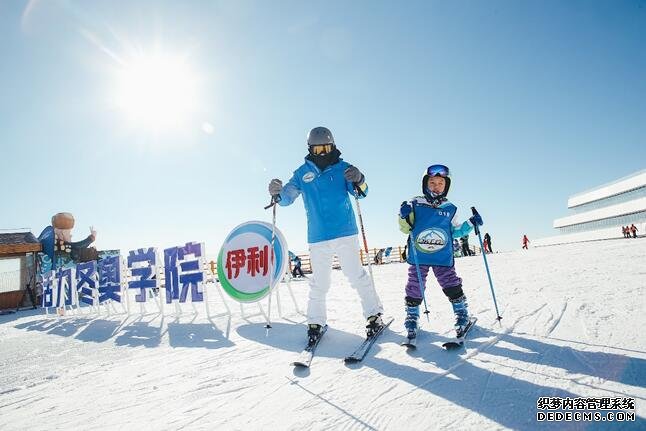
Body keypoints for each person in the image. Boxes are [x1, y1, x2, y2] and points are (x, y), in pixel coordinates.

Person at [268, 126, 384, 344]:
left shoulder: (343, 168)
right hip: (318, 236)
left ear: (333, 146)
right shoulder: (302, 173)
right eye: (318, 149)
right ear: (310, 149)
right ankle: (316, 321)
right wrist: (276, 192)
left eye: (326, 148)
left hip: (344, 232)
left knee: (356, 275)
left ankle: (373, 314)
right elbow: (286, 199)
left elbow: (363, 192)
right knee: (319, 282)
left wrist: (359, 179)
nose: (323, 153)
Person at [398, 164, 482, 340]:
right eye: (432, 182)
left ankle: (461, 314)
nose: (436, 186)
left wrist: (471, 223)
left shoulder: (450, 208)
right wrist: (403, 215)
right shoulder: (415, 203)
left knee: (450, 283)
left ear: (446, 186)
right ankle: (412, 316)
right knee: (415, 285)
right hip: (419, 255)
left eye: (440, 183)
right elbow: (406, 228)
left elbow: (456, 231)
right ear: (425, 184)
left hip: (442, 255)